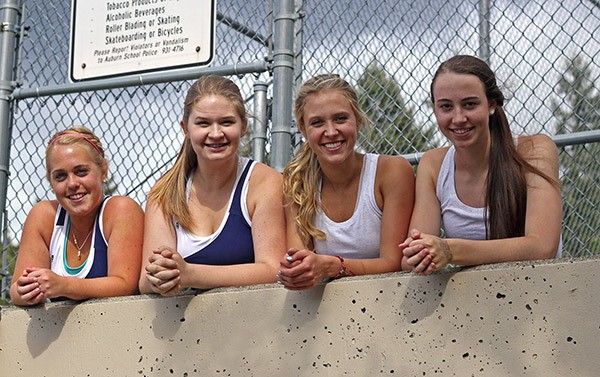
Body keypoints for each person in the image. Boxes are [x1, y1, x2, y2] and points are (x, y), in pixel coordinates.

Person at [401, 55, 562, 275]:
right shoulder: (433, 165)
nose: (458, 118)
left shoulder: (535, 150)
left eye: (469, 104)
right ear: (435, 110)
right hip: (471, 302)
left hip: (539, 294)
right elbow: (409, 258)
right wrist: (419, 253)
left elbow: (542, 247)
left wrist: (450, 250)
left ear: (492, 104)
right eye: (446, 107)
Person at [139, 75, 286, 296]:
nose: (216, 134)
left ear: (244, 126)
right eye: (203, 123)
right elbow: (145, 281)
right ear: (185, 128)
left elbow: (273, 269)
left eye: (226, 122)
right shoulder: (165, 191)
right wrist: (161, 278)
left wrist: (191, 275)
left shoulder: (264, 182)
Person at [276, 74, 415, 290]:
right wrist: (295, 271)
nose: (331, 132)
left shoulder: (391, 172)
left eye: (340, 118)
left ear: (358, 120)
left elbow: (393, 263)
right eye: (317, 122)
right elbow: (300, 261)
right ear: (303, 129)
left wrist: (335, 267)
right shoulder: (297, 182)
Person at [10, 127, 144, 305]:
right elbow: (15, 290)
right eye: (60, 176)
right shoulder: (44, 216)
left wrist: (64, 285)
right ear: (51, 183)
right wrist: (25, 291)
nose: (72, 183)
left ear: (103, 171)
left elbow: (126, 285)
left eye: (81, 171)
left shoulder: (121, 209)